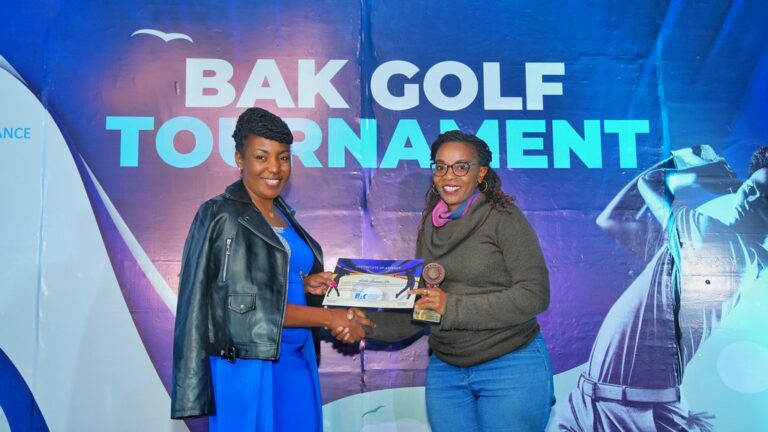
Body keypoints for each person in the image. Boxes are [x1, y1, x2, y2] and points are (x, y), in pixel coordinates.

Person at [170, 107, 373, 431]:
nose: (275, 168)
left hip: (296, 360)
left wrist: (305, 284)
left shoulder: (284, 214)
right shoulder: (221, 215)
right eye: (261, 157)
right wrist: (330, 318)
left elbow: (269, 279)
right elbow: (243, 306)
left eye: (283, 157)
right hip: (246, 366)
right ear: (240, 159)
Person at [558, 147, 768, 432]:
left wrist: (689, 162)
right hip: (589, 401)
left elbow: (651, 183)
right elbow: (614, 220)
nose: (750, 199)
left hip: (631, 413)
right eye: (752, 187)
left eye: (765, 199)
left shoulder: (713, 237)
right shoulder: (711, 252)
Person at [368, 130, 554, 431]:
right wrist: (360, 322)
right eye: (441, 166)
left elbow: (535, 294)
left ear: (481, 173)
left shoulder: (503, 217)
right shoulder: (430, 226)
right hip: (447, 370)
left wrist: (451, 307)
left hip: (509, 363)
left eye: (461, 167)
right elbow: (424, 305)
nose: (448, 175)